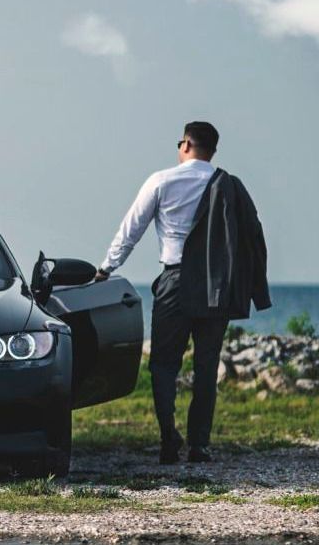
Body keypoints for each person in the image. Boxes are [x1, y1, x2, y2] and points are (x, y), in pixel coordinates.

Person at [94, 121, 271, 464]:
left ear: (186, 144)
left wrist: (106, 269)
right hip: (215, 287)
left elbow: (131, 229)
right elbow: (251, 235)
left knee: (163, 364)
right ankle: (199, 445)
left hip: (174, 282)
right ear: (213, 150)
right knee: (207, 367)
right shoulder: (228, 184)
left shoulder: (162, 181)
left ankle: (167, 440)